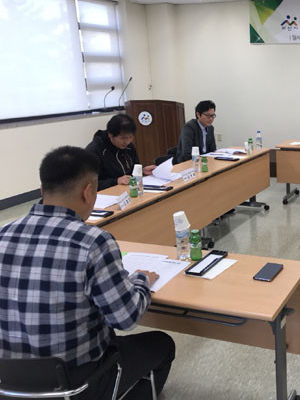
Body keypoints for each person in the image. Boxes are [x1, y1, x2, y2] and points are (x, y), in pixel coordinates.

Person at [0, 146, 175, 399]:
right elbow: (126, 319)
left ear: (42, 190)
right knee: (162, 344)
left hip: (10, 382)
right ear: (88, 192)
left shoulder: (3, 234)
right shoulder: (93, 242)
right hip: (78, 382)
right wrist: (140, 280)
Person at [86, 113, 156, 191]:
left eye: (130, 137)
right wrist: (116, 181)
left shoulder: (129, 146)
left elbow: (132, 171)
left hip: (128, 190)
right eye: (123, 138)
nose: (127, 142)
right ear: (110, 135)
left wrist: (141, 171)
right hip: (108, 194)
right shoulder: (94, 151)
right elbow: (89, 185)